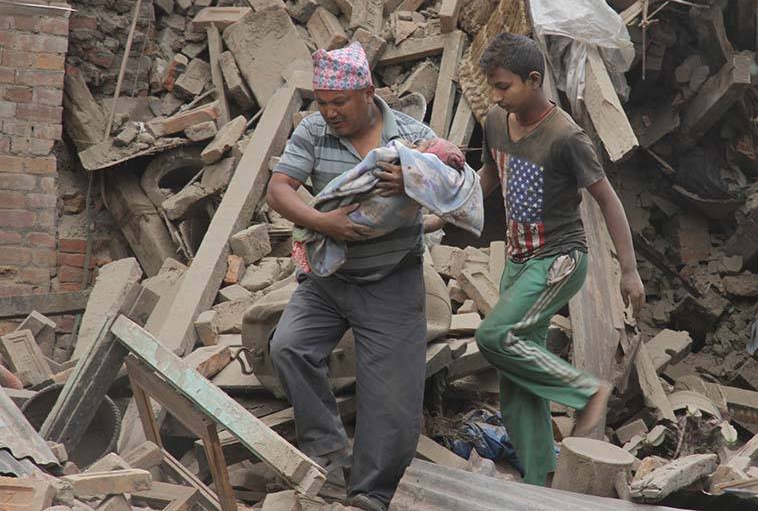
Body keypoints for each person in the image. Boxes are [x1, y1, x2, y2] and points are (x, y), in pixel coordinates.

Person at [266, 42, 443, 511]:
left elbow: (452, 192)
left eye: (339, 102)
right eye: (322, 102)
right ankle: (326, 454)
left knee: (391, 401)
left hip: (391, 281)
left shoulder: (412, 136)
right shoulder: (313, 131)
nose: (330, 112)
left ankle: (371, 493)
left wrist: (414, 181)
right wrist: (325, 223)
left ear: (367, 93)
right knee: (288, 347)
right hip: (329, 278)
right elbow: (279, 189)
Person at [473, 33, 646, 487]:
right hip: (517, 262)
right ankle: (540, 483)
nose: (496, 96)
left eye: (504, 86)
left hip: (558, 260)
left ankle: (584, 392)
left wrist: (629, 272)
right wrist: (445, 210)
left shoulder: (566, 136)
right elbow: (488, 177)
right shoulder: (495, 121)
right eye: (493, 86)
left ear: (534, 80)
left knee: (495, 336)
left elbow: (608, 201)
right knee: (516, 383)